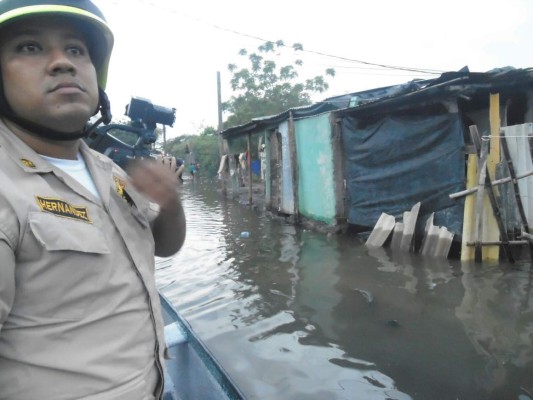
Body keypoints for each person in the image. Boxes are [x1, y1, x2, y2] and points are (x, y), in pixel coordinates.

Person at [0, 1, 186, 399]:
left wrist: (170, 202)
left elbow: (165, 246)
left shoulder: (108, 169)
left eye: (76, 50)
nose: (62, 63)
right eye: (29, 47)